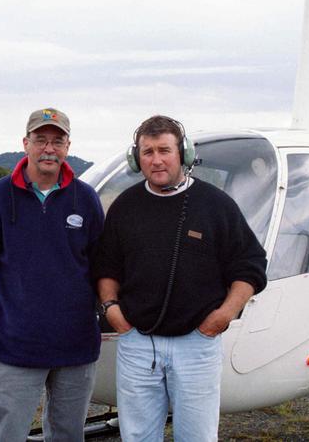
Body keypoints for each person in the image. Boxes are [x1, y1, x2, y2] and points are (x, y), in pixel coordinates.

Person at [93, 115, 267, 442]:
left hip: (197, 345)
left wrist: (223, 316)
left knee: (197, 437)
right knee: (137, 437)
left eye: (164, 150)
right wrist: (112, 311)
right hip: (137, 343)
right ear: (136, 158)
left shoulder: (216, 205)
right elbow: (106, 268)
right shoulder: (125, 207)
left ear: (183, 154)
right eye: (147, 152)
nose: (156, 160)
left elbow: (250, 265)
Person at [0, 108, 104, 442]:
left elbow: (99, 263)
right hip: (16, 341)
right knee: (5, 432)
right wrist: (18, 302)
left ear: (68, 146)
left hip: (75, 342)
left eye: (57, 141)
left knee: (68, 433)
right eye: (40, 139)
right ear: (25, 144)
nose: (49, 148)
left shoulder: (85, 199)